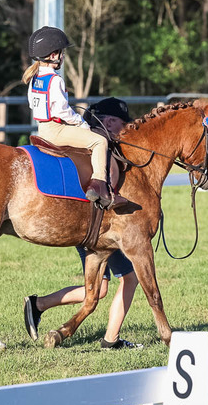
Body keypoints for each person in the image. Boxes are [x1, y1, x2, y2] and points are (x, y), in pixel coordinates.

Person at [24, 98, 143, 350]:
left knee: (100, 290)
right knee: (129, 279)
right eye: (123, 124)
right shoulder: (103, 149)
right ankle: (111, 340)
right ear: (109, 121)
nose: (125, 130)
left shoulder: (80, 143)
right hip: (101, 229)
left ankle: (38, 305)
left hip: (83, 226)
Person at [23, 26, 112, 206]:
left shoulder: (34, 78)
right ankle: (99, 185)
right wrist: (81, 123)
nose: (62, 56)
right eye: (61, 53)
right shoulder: (55, 80)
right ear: (54, 55)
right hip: (56, 130)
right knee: (100, 142)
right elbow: (62, 111)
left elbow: (33, 104)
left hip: (42, 129)